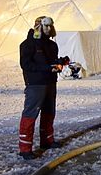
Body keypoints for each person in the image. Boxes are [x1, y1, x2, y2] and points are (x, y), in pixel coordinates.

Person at [18, 16, 67, 160]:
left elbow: (51, 62)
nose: (49, 29)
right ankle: (25, 148)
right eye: (46, 26)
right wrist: (46, 68)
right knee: (30, 113)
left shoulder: (52, 45)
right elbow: (26, 65)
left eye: (50, 26)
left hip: (50, 83)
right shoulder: (27, 45)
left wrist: (60, 63)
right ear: (38, 26)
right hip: (36, 84)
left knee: (49, 112)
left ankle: (47, 141)